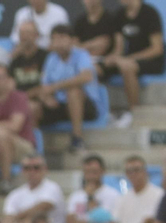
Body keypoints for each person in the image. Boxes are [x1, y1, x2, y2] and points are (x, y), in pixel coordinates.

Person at [33, 25, 100, 149]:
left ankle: (77, 139)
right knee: (33, 107)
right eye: (54, 39)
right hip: (59, 104)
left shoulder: (81, 55)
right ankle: (34, 146)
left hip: (85, 105)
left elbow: (86, 77)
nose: (58, 42)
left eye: (62, 38)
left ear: (72, 40)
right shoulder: (51, 58)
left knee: (73, 92)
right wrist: (45, 98)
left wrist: (56, 86)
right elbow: (44, 86)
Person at [100, 0, 164, 128]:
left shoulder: (150, 13)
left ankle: (134, 113)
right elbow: (119, 48)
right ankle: (102, 113)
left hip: (152, 60)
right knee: (99, 68)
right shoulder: (119, 15)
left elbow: (157, 49)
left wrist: (130, 58)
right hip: (129, 58)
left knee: (127, 67)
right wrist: (112, 58)